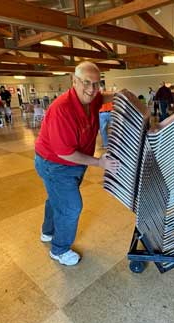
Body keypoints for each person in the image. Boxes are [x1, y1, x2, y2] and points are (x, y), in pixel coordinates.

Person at [34, 61, 119, 266]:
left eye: (96, 84)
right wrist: (99, 162)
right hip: (55, 163)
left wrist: (122, 95)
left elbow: (104, 96)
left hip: (74, 163)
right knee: (71, 207)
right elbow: (65, 153)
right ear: (74, 81)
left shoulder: (92, 97)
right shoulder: (61, 109)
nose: (91, 89)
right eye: (86, 83)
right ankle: (59, 249)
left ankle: (48, 231)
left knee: (57, 199)